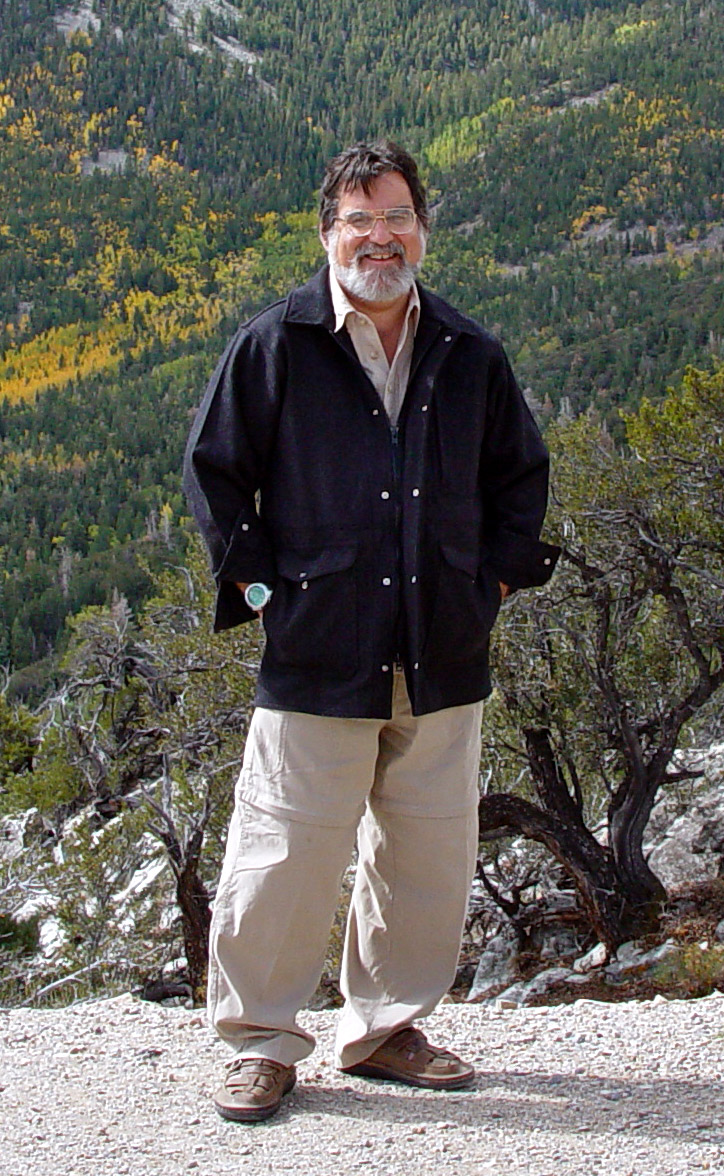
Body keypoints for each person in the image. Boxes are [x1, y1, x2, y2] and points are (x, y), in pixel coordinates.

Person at [184, 140, 559, 1123]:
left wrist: (489, 585)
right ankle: (260, 1042)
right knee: (282, 853)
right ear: (328, 234)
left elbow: (521, 478)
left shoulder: (469, 353)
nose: (379, 238)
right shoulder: (277, 345)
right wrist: (264, 594)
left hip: (443, 652)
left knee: (423, 859)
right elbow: (215, 476)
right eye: (359, 220)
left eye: (396, 217)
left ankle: (385, 1030)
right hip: (318, 649)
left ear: (421, 230)